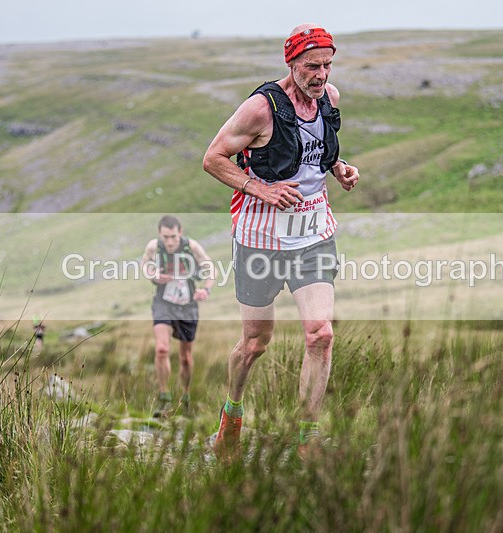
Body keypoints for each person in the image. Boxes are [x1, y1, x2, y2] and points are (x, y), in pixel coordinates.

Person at [202, 23, 360, 461]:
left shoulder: (329, 99)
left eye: (327, 65)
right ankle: (232, 415)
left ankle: (306, 437)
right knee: (255, 343)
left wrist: (340, 167)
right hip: (260, 239)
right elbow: (213, 159)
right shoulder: (260, 109)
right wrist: (261, 189)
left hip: (313, 234)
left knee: (320, 334)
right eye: (312, 67)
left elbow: (316, 152)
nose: (321, 75)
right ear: (291, 63)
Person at [140, 215, 215, 416]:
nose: (170, 242)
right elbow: (144, 264)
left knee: (185, 358)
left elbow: (210, 268)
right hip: (163, 302)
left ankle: (186, 396)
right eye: (166, 237)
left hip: (187, 305)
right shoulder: (154, 247)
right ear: (160, 234)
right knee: (162, 349)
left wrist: (205, 290)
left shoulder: (192, 246)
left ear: (180, 232)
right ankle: (164, 398)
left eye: (173, 236)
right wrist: (154, 275)